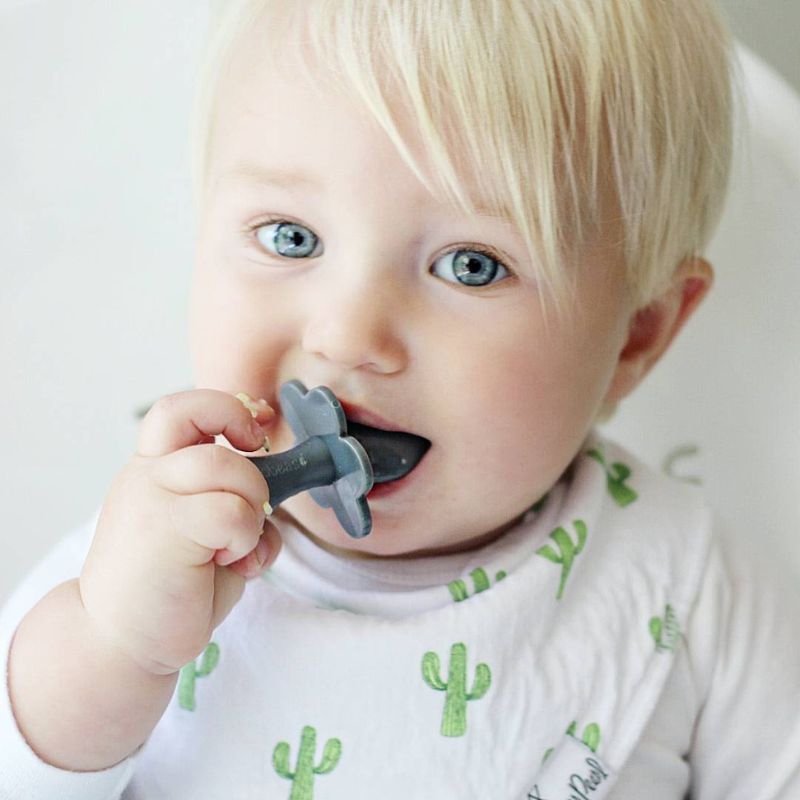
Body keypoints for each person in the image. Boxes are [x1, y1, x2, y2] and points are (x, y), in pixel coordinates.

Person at [2, 0, 799, 797]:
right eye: (291, 236)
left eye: (471, 266)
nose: (346, 335)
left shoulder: (688, 584)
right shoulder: (148, 562)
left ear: (636, 335)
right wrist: (116, 650)